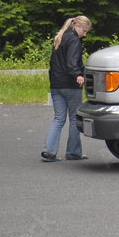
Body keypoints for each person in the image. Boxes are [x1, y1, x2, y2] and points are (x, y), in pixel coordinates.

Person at [40, 15, 92, 162]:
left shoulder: (60, 37)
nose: (85, 34)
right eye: (85, 30)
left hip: (56, 85)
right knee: (75, 118)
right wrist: (79, 75)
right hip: (70, 85)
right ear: (78, 27)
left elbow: (54, 64)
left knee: (58, 118)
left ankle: (49, 151)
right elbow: (72, 62)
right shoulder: (74, 40)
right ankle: (74, 152)